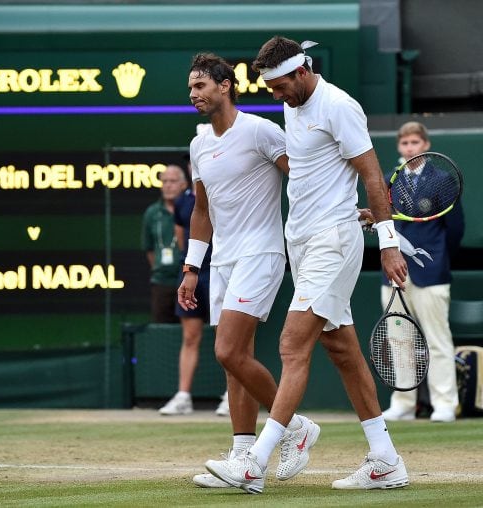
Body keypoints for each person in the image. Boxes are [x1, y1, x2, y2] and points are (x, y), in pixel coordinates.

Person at [208, 36, 410, 493]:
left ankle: (256, 461)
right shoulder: (293, 103)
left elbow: (373, 175)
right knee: (341, 349)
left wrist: (389, 242)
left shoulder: (339, 106)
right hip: (302, 241)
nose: (275, 95)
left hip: (331, 244)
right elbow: (322, 174)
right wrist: (347, 205)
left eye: (279, 86)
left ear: (301, 72)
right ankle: (386, 458)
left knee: (291, 343)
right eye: (270, 88)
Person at [177, 52, 319, 490]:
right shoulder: (199, 144)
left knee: (227, 351)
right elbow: (202, 210)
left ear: (225, 85)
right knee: (234, 364)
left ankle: (294, 427)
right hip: (221, 261)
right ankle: (243, 459)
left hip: (261, 254)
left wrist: (331, 213)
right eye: (190, 88)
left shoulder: (260, 130)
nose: (193, 94)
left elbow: (302, 176)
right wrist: (191, 268)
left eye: (200, 86)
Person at [381, 121, 465, 423]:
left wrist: (438, 259)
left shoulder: (443, 179)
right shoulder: (392, 180)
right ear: (399, 147)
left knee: (437, 340)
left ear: (426, 145)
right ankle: (403, 403)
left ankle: (444, 404)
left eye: (415, 142)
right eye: (404, 144)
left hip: (432, 273)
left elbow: (455, 229)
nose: (409, 148)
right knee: (399, 340)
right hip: (394, 274)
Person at [158, 156, 229, 417]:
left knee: (228, 337)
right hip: (192, 273)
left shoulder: (224, 191)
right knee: (190, 337)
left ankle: (231, 395)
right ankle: (183, 396)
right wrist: (191, 268)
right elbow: (182, 240)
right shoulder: (183, 202)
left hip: (221, 269)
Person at [141, 164, 187, 324]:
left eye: (173, 181)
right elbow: (149, 249)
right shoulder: (152, 213)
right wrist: (160, 268)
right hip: (162, 282)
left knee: (191, 331)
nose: (168, 185)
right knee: (163, 332)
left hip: (188, 280)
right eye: (164, 181)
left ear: (183, 185)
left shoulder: (192, 208)